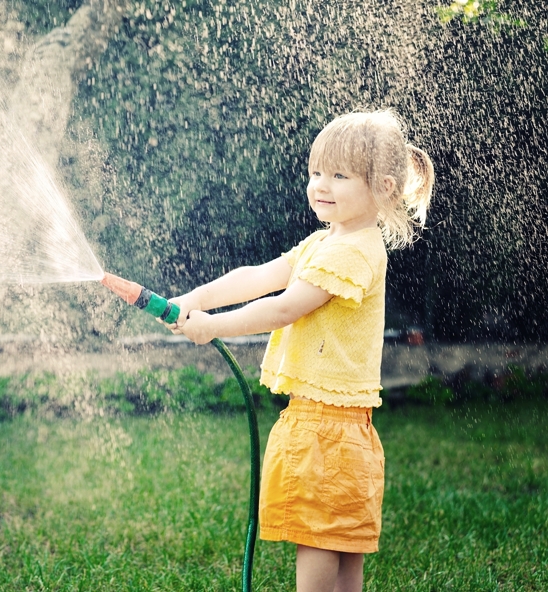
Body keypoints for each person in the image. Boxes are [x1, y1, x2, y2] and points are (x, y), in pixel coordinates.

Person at [166, 110, 435, 592]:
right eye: (315, 172)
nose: (320, 184)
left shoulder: (352, 251)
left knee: (318, 545)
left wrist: (212, 327)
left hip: (325, 430)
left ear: (385, 189)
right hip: (340, 426)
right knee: (342, 547)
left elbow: (283, 308)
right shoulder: (327, 242)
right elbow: (260, 275)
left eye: (338, 175)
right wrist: (198, 299)